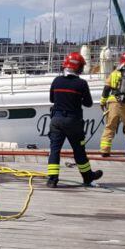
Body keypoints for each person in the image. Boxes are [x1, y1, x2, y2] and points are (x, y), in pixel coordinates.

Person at [47, 52, 103, 188]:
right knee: (79, 151)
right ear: (78, 68)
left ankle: (52, 180)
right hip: (73, 122)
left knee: (54, 150)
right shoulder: (82, 84)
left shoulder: (57, 81)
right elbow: (88, 103)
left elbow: (52, 99)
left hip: (56, 120)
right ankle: (88, 177)